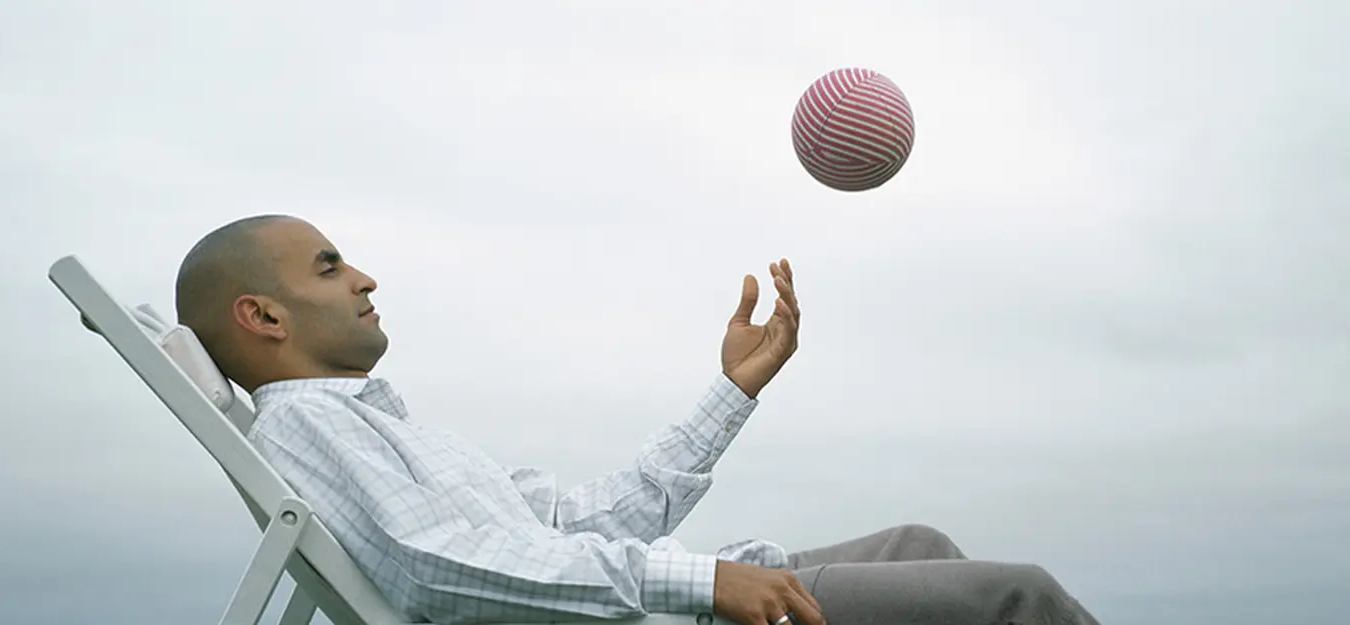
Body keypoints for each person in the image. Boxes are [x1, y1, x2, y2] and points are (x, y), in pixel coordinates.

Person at [173, 214, 1102, 625]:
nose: (365, 277)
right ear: (262, 316)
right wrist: (702, 583)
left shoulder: (377, 424)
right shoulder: (304, 425)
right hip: (663, 622)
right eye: (331, 266)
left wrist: (730, 392)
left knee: (921, 544)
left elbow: (572, 527)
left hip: (658, 608)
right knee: (1015, 603)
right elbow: (442, 570)